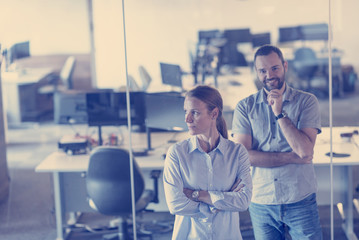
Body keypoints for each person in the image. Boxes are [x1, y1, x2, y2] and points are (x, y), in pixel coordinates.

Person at [232, 44, 323, 240]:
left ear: (285, 66)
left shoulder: (307, 101)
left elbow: (305, 151)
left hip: (299, 197)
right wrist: (292, 157)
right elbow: (243, 156)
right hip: (261, 200)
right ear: (256, 72)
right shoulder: (245, 107)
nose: (269, 75)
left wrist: (279, 113)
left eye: (274, 68)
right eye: (262, 70)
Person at [163, 85, 252, 240]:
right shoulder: (177, 153)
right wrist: (221, 202)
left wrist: (196, 195)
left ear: (214, 113)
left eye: (194, 113)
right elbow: (175, 204)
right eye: (185, 111)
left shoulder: (237, 153)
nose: (187, 119)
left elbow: (243, 201)